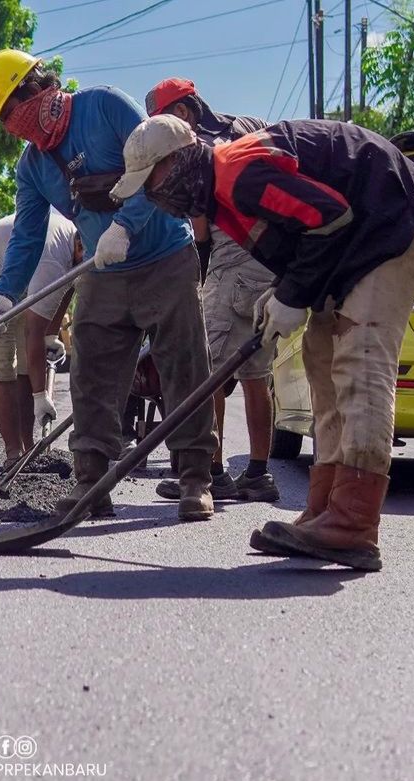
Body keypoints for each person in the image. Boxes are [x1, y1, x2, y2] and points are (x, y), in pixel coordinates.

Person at [111, 114, 414, 571]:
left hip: (389, 221)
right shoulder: (221, 197)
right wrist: (280, 291)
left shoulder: (237, 172)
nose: (153, 194)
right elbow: (303, 234)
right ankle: (324, 507)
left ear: (179, 161)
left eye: (153, 180)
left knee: (358, 360)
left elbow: (330, 218)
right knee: (321, 358)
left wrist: (293, 295)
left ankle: (354, 522)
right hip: (355, 240)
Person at [0, 49, 217, 521]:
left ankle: (194, 479)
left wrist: (124, 226)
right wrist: (3, 294)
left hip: (166, 256)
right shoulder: (33, 166)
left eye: (10, 112)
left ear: (35, 88)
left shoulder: (104, 106)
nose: (12, 126)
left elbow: (162, 162)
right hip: (103, 276)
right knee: (91, 377)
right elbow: (25, 237)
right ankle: (91, 482)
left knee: (183, 367)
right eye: (4, 121)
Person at [145, 78, 280, 503]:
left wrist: (200, 264)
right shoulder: (250, 124)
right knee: (256, 373)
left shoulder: (196, 147)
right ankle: (259, 474)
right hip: (271, 257)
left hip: (230, 254)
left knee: (208, 373)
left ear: (183, 112)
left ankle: (211, 472)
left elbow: (201, 224)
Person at [0, 212, 79, 470]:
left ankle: (29, 449)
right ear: (79, 245)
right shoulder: (53, 256)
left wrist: (51, 336)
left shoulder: (83, 245)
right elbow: (34, 333)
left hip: (15, 282)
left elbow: (66, 290)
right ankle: (13, 453)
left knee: (25, 368)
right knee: (1, 367)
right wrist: (41, 396)